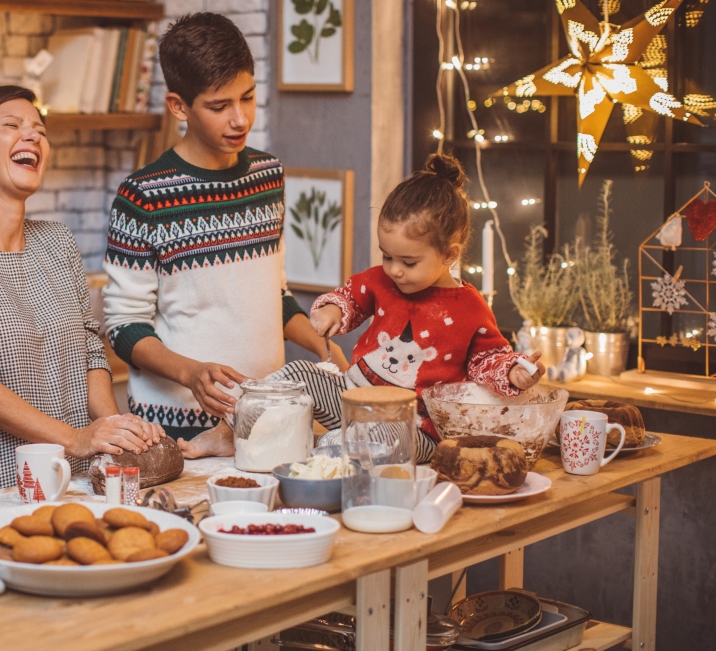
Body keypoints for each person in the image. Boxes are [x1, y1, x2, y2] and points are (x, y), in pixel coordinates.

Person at [102, 14, 347, 457]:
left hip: (266, 417)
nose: (240, 119)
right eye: (219, 106)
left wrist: (320, 344)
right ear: (179, 106)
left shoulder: (268, 175)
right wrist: (192, 373)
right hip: (175, 427)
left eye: (247, 97)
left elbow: (273, 294)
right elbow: (124, 327)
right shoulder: (142, 196)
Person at [0, 85, 165, 498]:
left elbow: (89, 349)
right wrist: (76, 438)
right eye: (12, 125)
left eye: (40, 130)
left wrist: (113, 433)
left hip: (72, 478)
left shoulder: (57, 241)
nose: (32, 136)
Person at [297, 153, 546, 461]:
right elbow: (350, 298)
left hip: (415, 428)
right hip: (353, 399)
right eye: (387, 256)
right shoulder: (381, 280)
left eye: (409, 262)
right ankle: (278, 437)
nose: (394, 270)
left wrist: (512, 372)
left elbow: (488, 359)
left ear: (449, 254)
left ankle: (335, 446)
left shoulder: (470, 308)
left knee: (383, 438)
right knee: (297, 374)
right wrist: (333, 310)